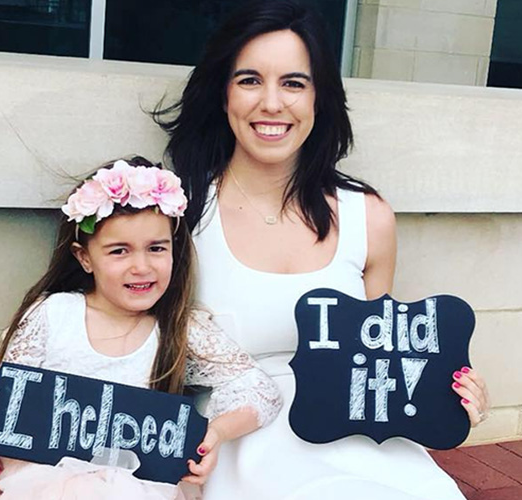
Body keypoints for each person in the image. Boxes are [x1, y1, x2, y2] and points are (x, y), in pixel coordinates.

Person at [153, 1, 490, 499]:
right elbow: (116, 345)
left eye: (294, 83)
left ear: (319, 97)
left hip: (355, 441)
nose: (271, 103)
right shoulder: (178, 214)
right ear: (221, 94)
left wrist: (450, 393)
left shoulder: (368, 217)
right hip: (237, 439)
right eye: (249, 80)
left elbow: (381, 363)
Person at [0, 157, 282, 500]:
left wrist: (213, 434)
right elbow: (2, 393)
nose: (141, 266)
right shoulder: (54, 315)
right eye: (119, 251)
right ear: (84, 258)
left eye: (156, 248)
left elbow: (259, 390)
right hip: (39, 485)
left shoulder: (182, 326)